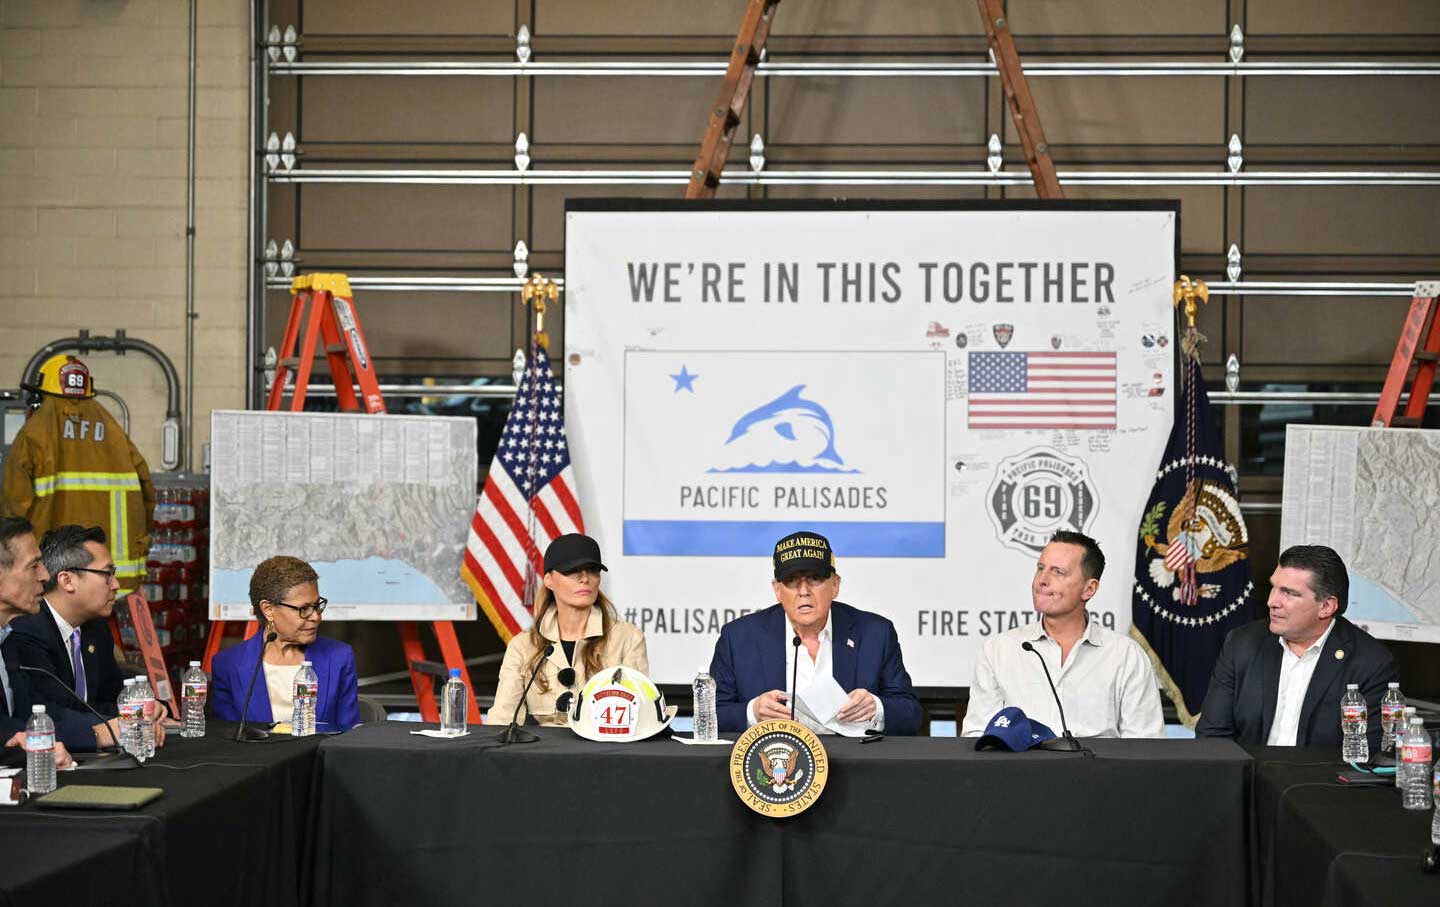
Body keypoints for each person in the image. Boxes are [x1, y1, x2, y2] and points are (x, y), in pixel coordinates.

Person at [709, 530, 922, 736]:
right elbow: (710, 716)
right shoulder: (738, 638)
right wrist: (753, 712)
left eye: (815, 579)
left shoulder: (875, 633)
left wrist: (876, 708)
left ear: (835, 585)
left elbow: (911, 714)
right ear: (777, 590)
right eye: (792, 581)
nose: (804, 591)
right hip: (775, 760)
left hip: (856, 762)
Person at [961, 531, 1164, 738]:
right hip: (1019, 770)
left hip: (1100, 769)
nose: (1042, 580)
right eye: (1040, 568)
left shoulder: (1126, 656)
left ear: (1089, 589)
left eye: (1058, 572)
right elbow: (977, 736)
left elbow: (1145, 745)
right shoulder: (998, 651)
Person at [1195, 544, 1397, 748]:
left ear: (1326, 606)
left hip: (1320, 778)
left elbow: (1367, 751)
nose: (1272, 601)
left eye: (1288, 593)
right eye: (1273, 587)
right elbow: (1212, 736)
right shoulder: (1242, 643)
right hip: (1249, 775)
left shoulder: (1370, 663)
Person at [2, 354, 155, 595]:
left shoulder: (33, 433)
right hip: (111, 579)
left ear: (40, 397)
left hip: (50, 577)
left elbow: (13, 509)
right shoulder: (114, 432)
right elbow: (147, 492)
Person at [487, 533, 647, 726]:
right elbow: (502, 721)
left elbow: (639, 717)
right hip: (542, 752)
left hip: (606, 751)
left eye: (592, 570)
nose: (584, 578)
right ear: (549, 580)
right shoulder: (523, 646)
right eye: (572, 571)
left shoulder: (628, 638)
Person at [211, 556, 359, 731]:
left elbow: (349, 737)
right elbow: (228, 738)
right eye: (303, 609)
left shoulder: (339, 657)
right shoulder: (228, 664)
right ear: (269, 610)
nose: (316, 617)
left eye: (317, 605)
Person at [7, 526, 129, 722]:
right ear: (67, 580)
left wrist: (147, 707)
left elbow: (114, 694)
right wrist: (128, 717)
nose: (115, 585)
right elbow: (55, 710)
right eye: (107, 574)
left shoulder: (97, 628)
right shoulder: (27, 630)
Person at [0, 517, 82, 764]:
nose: (45, 575)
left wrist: (101, 729)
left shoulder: (9, 639)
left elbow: (34, 712)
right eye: (33, 566)